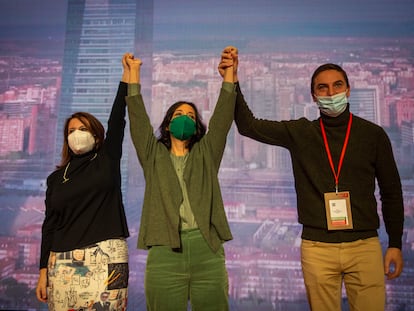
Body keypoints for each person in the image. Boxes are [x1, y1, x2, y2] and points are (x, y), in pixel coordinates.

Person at [232, 52, 404, 311]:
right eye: (322, 87)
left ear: (348, 90)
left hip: (364, 246)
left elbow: (391, 192)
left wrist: (395, 243)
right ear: (313, 96)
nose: (330, 92)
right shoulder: (301, 133)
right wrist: (232, 79)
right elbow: (248, 126)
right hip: (317, 248)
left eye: (337, 85)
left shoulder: (373, 135)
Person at [125, 47, 236, 311]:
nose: (184, 119)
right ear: (166, 125)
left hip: (207, 249)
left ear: (197, 127)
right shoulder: (153, 156)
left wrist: (230, 75)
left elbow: (221, 119)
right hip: (165, 251)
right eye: (178, 115)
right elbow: (138, 122)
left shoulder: (206, 154)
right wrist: (133, 75)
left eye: (190, 116)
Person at [35, 54, 131, 311]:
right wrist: (43, 270)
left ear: (97, 136)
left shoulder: (107, 159)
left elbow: (117, 120)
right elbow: (50, 226)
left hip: (108, 257)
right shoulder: (56, 178)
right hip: (61, 263)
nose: (76, 134)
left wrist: (127, 77)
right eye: (71, 131)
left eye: (83, 129)